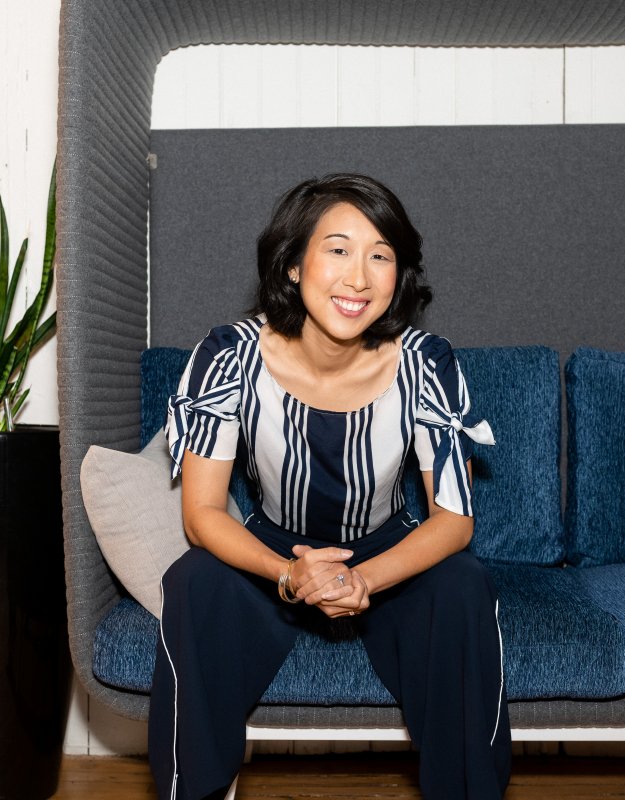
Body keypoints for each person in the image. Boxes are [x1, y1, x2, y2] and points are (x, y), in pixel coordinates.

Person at [149, 173, 511, 800]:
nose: (359, 278)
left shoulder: (428, 362)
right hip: (270, 553)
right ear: (292, 265)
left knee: (463, 584)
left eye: (381, 256)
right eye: (338, 249)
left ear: (399, 276)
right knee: (193, 579)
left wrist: (363, 578)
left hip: (386, 553)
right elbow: (203, 513)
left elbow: (453, 522)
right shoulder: (228, 354)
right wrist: (290, 574)